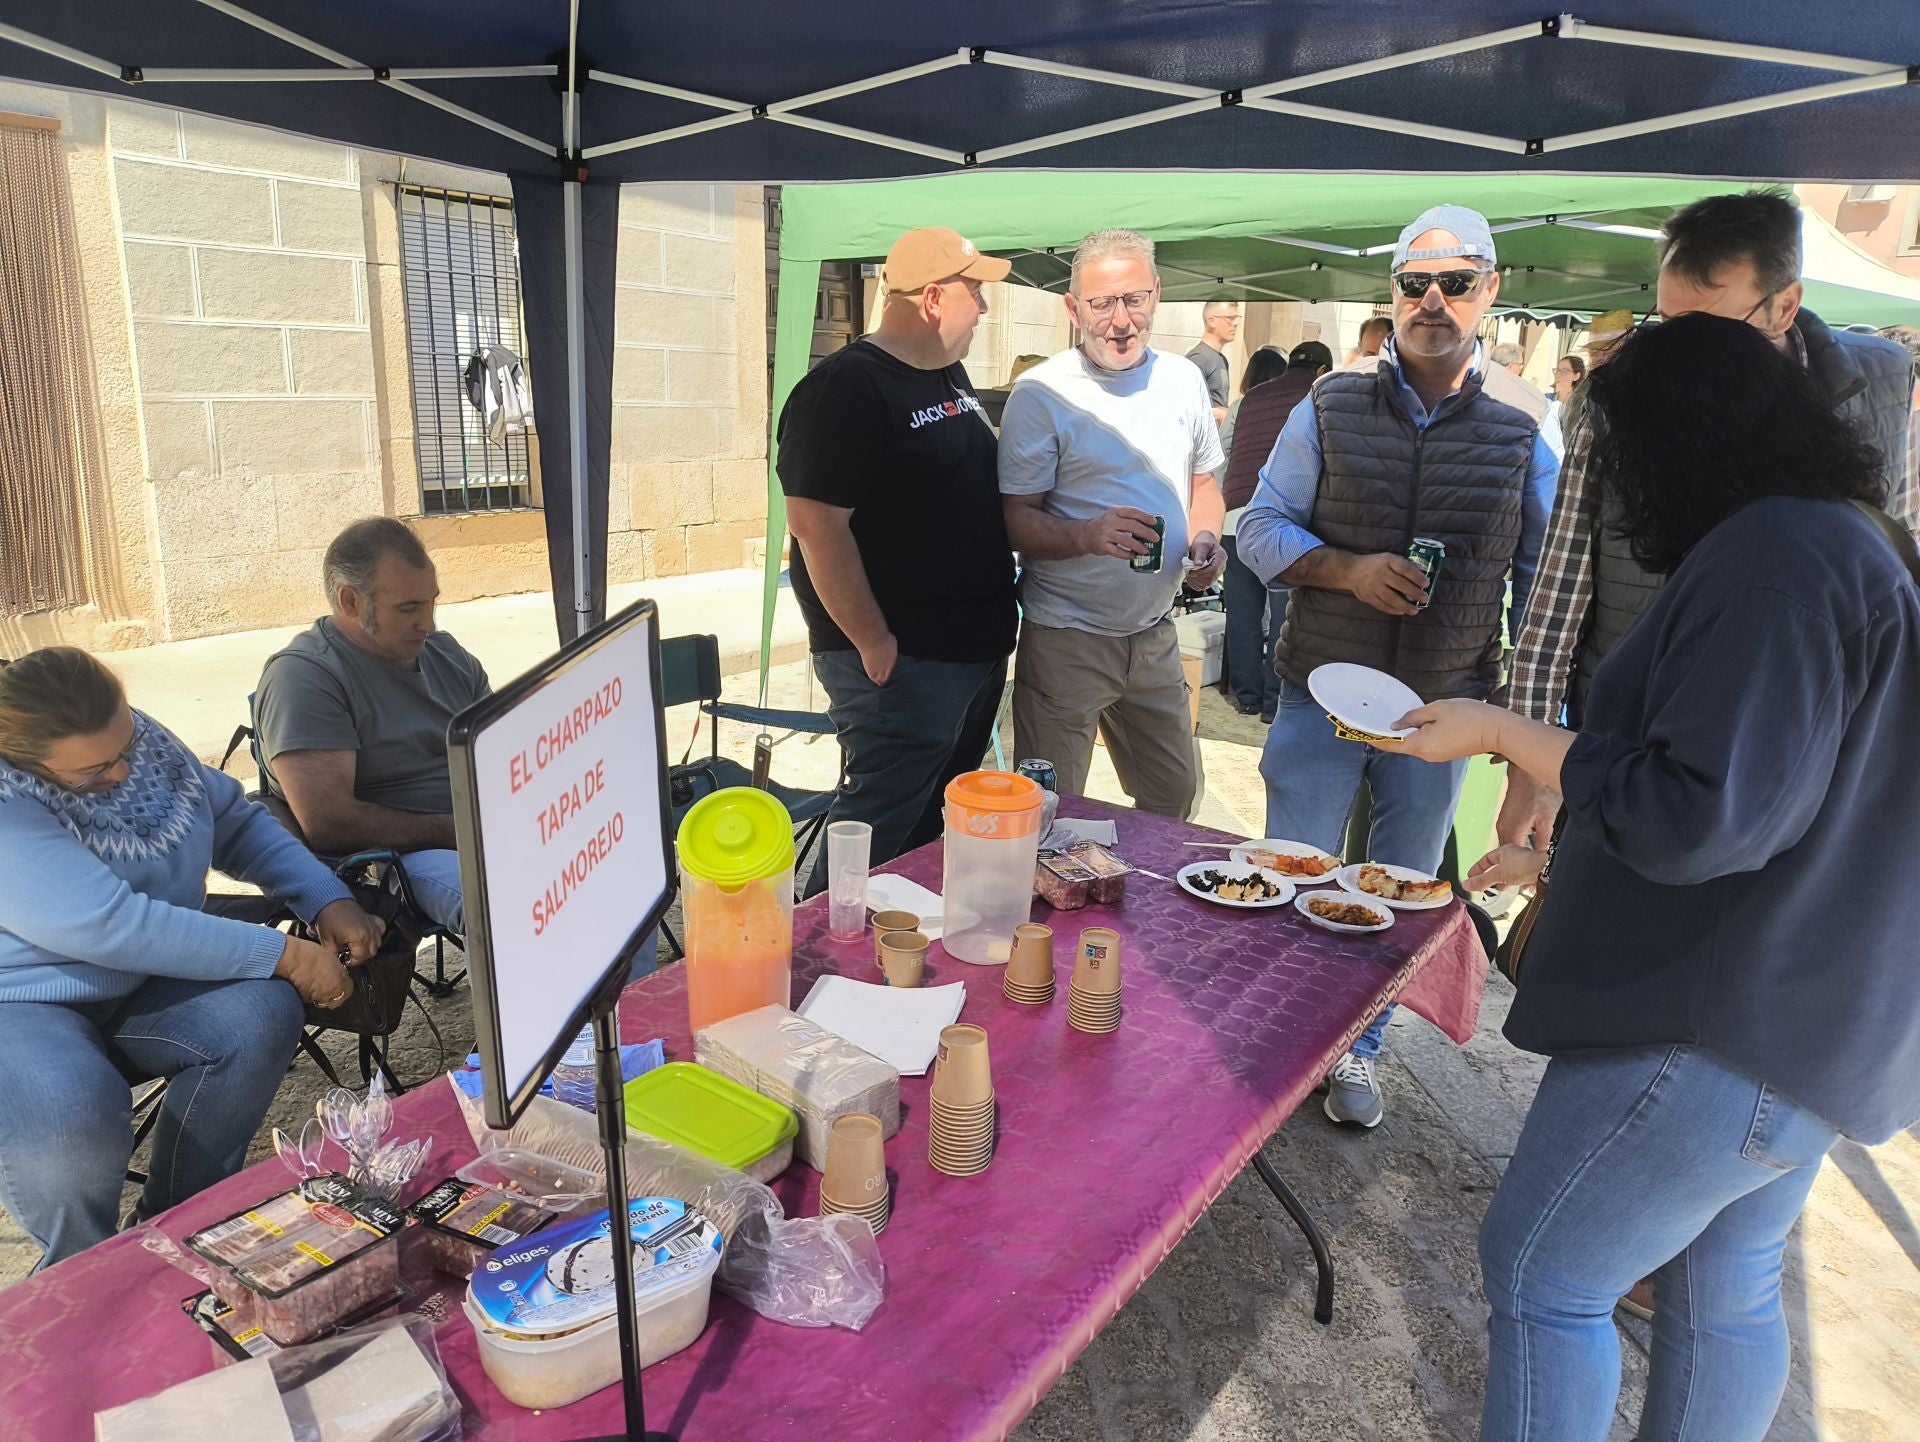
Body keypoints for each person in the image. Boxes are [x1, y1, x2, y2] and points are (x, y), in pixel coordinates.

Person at [1393, 313, 1920, 1442]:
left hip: (1721, 1025)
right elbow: (1788, 787)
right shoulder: (1854, 539)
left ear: (1679, 439)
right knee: (1722, 1287)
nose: (1612, 480)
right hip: (1822, 1023)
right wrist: (1559, 847)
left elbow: (1701, 812)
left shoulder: (1777, 557)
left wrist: (1501, 729)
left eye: (1617, 447)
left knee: (1543, 1273)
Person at [1236, 204, 1555, 1128]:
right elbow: (1257, 525)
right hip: (1321, 688)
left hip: (1443, 706)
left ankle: (1360, 1051)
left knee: (1404, 886)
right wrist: (1345, 569)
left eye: (1456, 283)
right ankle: (1289, 1037)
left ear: (1490, 292)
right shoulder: (1329, 401)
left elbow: (1546, 589)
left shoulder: (1528, 422)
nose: (1433, 301)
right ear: (1394, 294)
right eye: (1416, 284)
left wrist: (1528, 738)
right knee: (1294, 868)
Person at [1501, 189, 1916, 855]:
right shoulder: (1627, 403)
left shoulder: (1885, 386)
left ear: (1785, 304)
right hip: (1634, 742)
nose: (1677, 356)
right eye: (1666, 324)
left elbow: (1895, 559)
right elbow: (1557, 597)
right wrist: (1530, 761)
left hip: (1806, 759)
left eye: (1707, 331)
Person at [0, 648, 384, 1269]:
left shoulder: (126, 734)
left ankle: (177, 1233)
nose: (124, 773)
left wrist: (324, 897)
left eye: (126, 745)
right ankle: (84, 1274)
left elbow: (233, 822)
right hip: (22, 996)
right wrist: (283, 952)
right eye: (95, 770)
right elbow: (112, 924)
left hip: (139, 973)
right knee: (73, 1114)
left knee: (256, 1014)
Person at [777, 227, 1017, 892]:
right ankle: (821, 962)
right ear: (934, 298)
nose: (986, 308)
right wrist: (872, 640)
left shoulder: (945, 373)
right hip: (903, 666)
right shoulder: (845, 389)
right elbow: (815, 526)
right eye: (977, 292)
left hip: (967, 655)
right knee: (877, 834)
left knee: (927, 841)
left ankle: (897, 963)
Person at [999, 227, 1227, 818]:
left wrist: (1204, 540)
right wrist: (1086, 534)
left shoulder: (1182, 379)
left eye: (1133, 300)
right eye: (1102, 303)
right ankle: (1054, 911)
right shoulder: (1041, 393)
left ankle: (1140, 908)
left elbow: (1204, 484)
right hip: (1066, 637)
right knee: (1049, 810)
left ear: (1156, 294)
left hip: (1153, 634)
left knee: (1174, 796)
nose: (1120, 320)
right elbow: (1012, 520)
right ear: (1073, 309)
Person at [255, 518, 490, 936]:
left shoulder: (446, 655)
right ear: (350, 602)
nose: (429, 623)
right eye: (408, 609)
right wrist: (462, 829)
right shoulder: (306, 677)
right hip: (392, 860)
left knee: (617, 865)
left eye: (430, 602)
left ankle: (622, 1003)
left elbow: (501, 750)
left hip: (482, 826)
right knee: (503, 903)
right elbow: (330, 823)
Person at [1220, 341, 1330, 721]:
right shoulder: (1319, 400)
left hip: (1234, 520)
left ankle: (1247, 697)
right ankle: (1272, 703)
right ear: (1322, 371)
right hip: (1288, 528)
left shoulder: (1246, 401)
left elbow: (1222, 459)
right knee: (1285, 617)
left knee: (1242, 614)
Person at [1187, 300, 1240, 429]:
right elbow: (1185, 405)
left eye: (1237, 318)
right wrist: (1222, 415)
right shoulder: (1199, 358)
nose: (1236, 323)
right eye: (1230, 318)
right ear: (1211, 321)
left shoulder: (1222, 359)